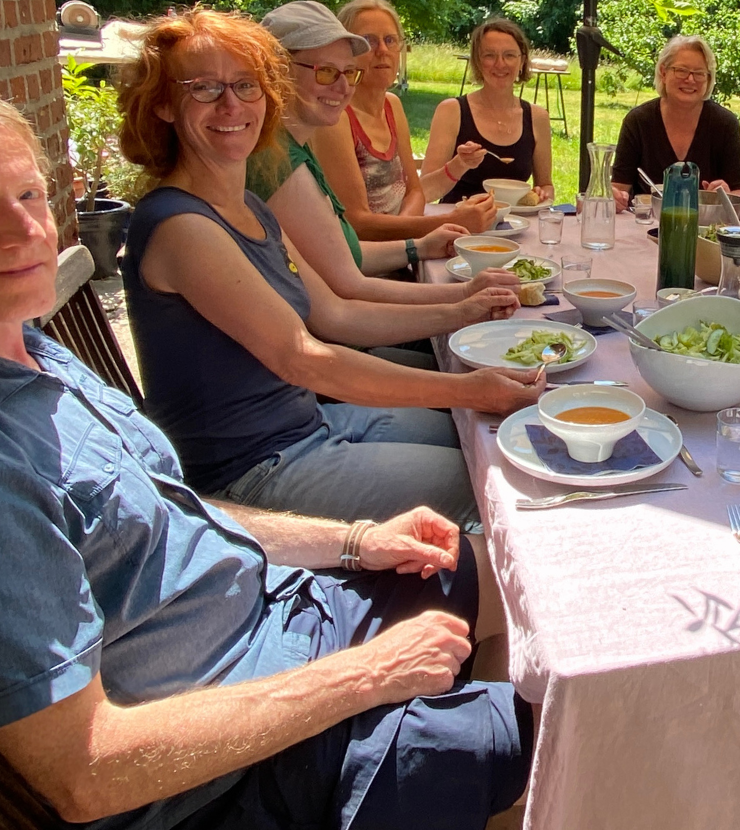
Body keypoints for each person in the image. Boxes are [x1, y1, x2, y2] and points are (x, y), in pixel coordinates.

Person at [0, 75, 529, 830]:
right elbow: (88, 771)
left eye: (28, 195)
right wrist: (368, 676)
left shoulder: (17, 351)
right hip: (237, 777)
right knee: (566, 737)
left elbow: (155, 510)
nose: (25, 233)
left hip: (279, 617)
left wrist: (347, 541)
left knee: (533, 581)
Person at [120, 8, 541, 525]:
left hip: (312, 422)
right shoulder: (180, 225)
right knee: (502, 477)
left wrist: (468, 306)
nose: (232, 105)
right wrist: (466, 387)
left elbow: (336, 313)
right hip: (253, 469)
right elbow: (307, 360)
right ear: (162, 104)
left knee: (491, 438)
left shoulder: (247, 207)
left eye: (247, 86)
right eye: (203, 88)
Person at [252, 0, 515, 375]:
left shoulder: (295, 148)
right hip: (330, 359)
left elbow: (349, 255)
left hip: (334, 343)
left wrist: (419, 248)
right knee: (476, 362)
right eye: (326, 72)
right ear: (275, 73)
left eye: (348, 72)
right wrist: (460, 300)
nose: (342, 86)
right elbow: (344, 296)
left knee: (480, 356)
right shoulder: (274, 160)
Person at [312, 0, 498, 239]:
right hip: (367, 265)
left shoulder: (392, 105)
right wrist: (450, 222)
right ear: (346, 50)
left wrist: (405, 234)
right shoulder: (336, 117)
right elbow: (357, 224)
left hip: (403, 250)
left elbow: (415, 191)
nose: (382, 51)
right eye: (369, 41)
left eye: (390, 40)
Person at [420, 18, 555, 205]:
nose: (500, 64)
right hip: (458, 224)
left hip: (515, 225)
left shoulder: (537, 117)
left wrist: (542, 194)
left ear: (522, 61)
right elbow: (425, 192)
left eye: (509, 55)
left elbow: (546, 185)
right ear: (477, 61)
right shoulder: (452, 111)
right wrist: (459, 164)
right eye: (490, 55)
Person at [610, 35, 740, 207]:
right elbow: (619, 188)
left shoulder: (724, 124)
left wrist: (726, 194)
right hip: (648, 228)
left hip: (706, 228)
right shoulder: (638, 121)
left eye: (699, 74)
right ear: (663, 72)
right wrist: (614, 197)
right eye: (682, 71)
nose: (690, 80)